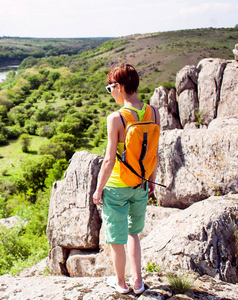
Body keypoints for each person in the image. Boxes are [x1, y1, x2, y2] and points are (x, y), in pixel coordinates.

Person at [92, 64, 160, 295]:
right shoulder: (153, 112)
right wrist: (150, 180)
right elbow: (153, 152)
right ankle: (139, 282)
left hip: (117, 186)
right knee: (134, 233)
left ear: (119, 87)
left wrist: (98, 190)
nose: (110, 91)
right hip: (141, 183)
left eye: (110, 87)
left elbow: (109, 159)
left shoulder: (116, 118)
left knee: (116, 238)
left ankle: (121, 284)